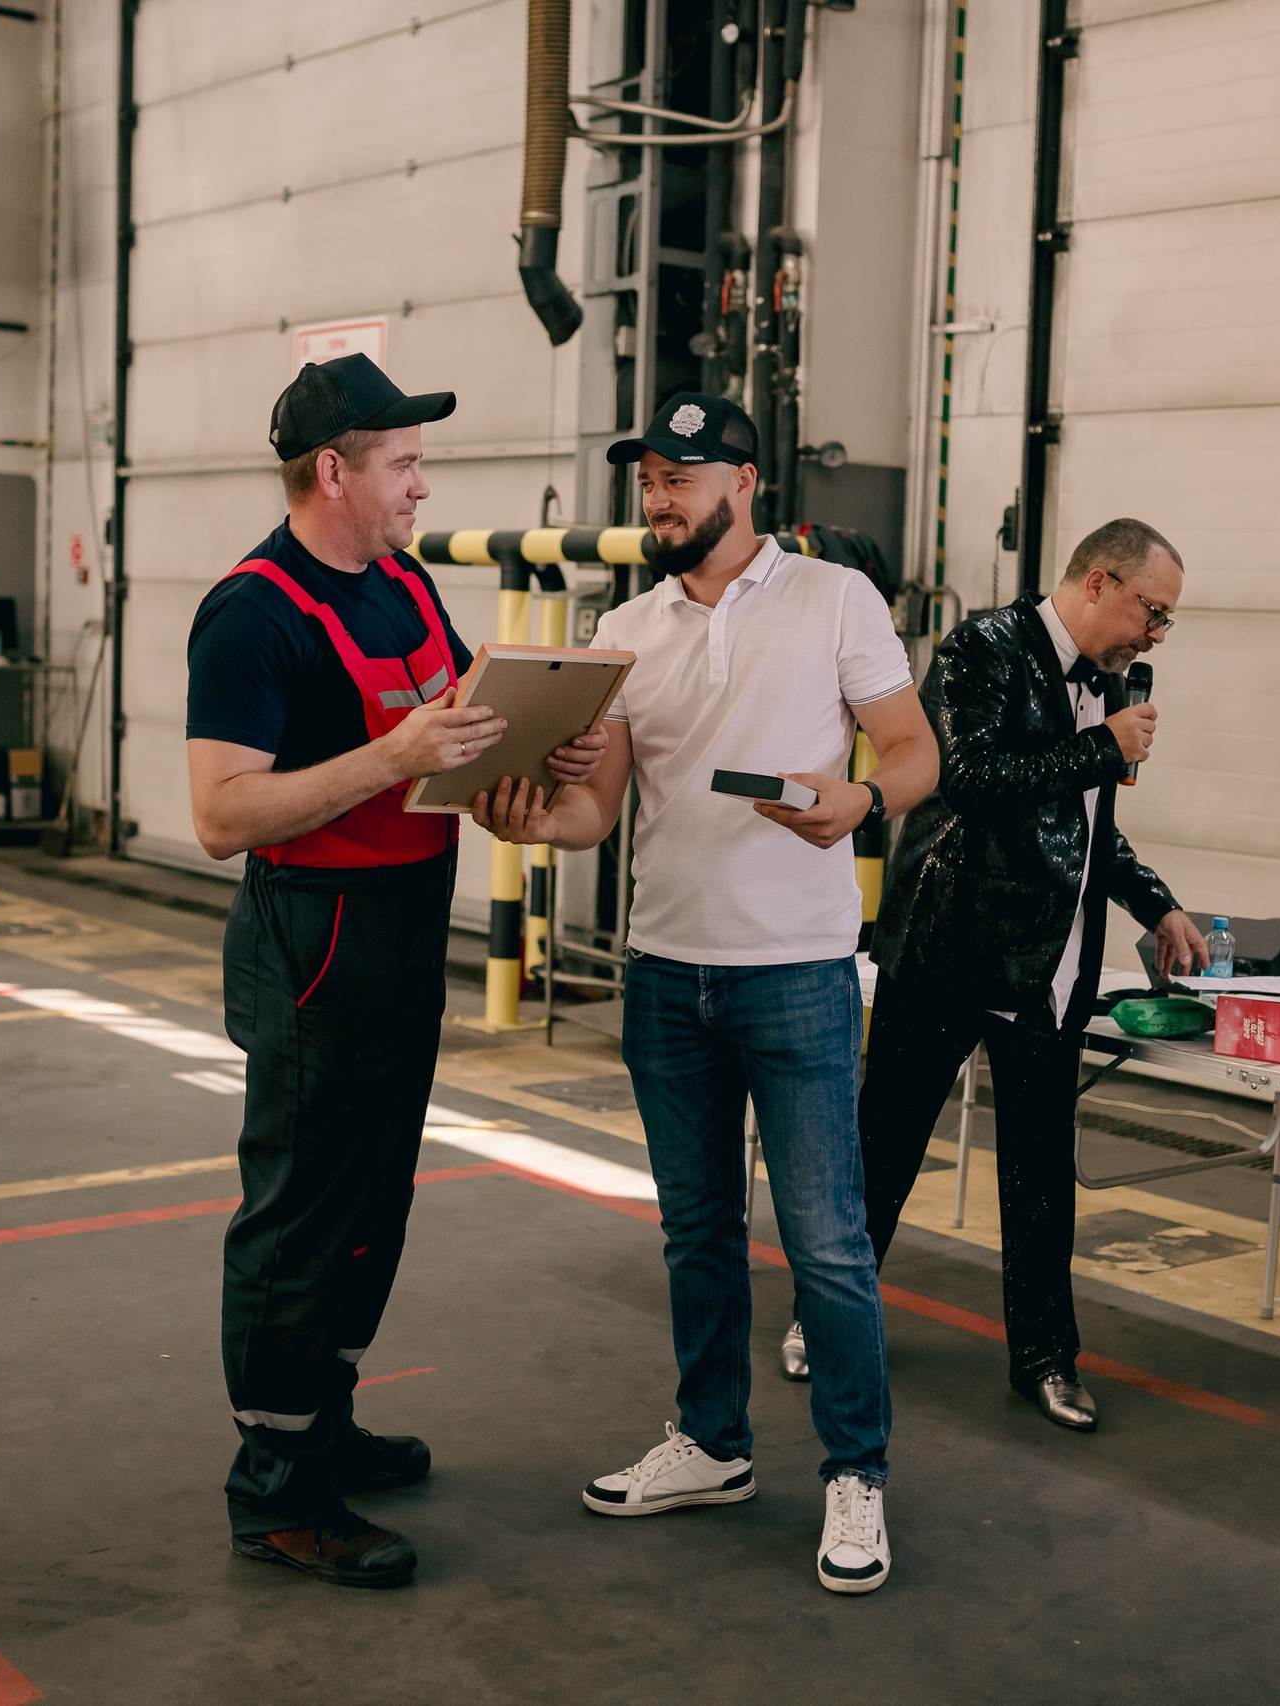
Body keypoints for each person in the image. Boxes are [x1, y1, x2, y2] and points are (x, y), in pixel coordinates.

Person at [473, 392, 938, 1594]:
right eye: (646, 479)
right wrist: (520, 810)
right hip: (666, 973)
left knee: (827, 1243)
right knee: (695, 1230)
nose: (658, 496)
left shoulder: (837, 599)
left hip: (796, 971)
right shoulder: (622, 631)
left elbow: (914, 751)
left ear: (745, 483)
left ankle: (855, 1472)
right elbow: (594, 811)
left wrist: (862, 801)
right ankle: (713, 1440)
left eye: (681, 476)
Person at [184, 354, 603, 1589]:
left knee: (372, 1207)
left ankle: (326, 1419)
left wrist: (527, 745)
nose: (423, 484)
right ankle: (277, 1491)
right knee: (302, 1220)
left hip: (404, 931)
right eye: (404, 463)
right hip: (313, 943)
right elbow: (220, 814)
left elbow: (451, 731)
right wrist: (393, 754)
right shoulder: (252, 613)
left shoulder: (409, 590)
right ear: (334, 470)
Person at [837, 518, 1208, 1434]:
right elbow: (962, 773)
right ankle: (827, 1320)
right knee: (884, 1146)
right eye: (1151, 613)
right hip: (949, 945)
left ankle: (1045, 1359)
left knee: (1042, 1171)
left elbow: (1084, 825)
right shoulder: (982, 647)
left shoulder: (1108, 691)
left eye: (1166, 623)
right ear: (1098, 583)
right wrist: (1103, 746)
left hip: (1052, 960)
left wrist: (1156, 903)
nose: (1155, 636)